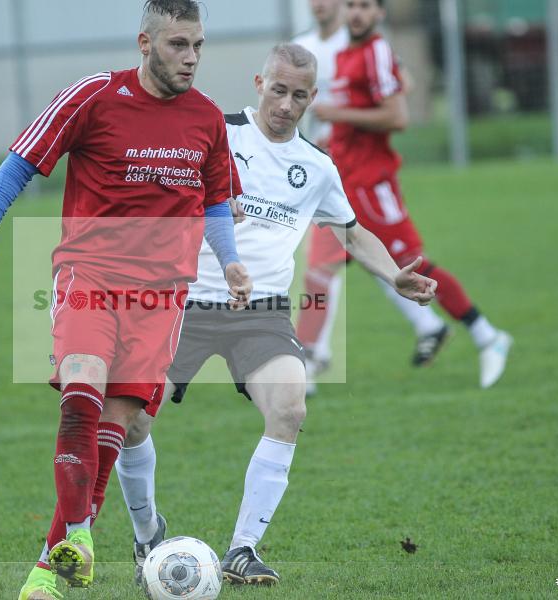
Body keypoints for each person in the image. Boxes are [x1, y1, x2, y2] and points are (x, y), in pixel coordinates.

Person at [0, 2, 252, 598]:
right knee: (81, 389)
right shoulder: (95, 96)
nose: (191, 58)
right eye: (178, 45)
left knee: (120, 425)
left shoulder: (206, 117)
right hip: (89, 277)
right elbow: (20, 163)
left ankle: (50, 565)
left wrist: (231, 259)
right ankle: (77, 539)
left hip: (161, 296)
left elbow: (216, 199)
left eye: (198, 46)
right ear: (145, 43)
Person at [116, 43, 437, 587]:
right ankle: (147, 532)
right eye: (279, 90)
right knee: (132, 418)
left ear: (313, 98)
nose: (287, 105)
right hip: (183, 303)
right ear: (259, 83)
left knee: (290, 407)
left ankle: (242, 550)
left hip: (260, 314)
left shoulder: (317, 167)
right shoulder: (215, 132)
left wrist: (393, 275)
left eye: (300, 96)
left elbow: (353, 232)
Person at [304, 0, 512, 389]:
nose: (356, 13)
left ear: (380, 13)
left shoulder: (376, 51)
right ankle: (308, 364)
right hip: (344, 183)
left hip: (373, 186)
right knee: (320, 271)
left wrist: (338, 115)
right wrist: (331, 140)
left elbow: (398, 116)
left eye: (365, 6)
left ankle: (487, 335)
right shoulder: (348, 54)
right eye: (351, 5)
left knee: (412, 266)